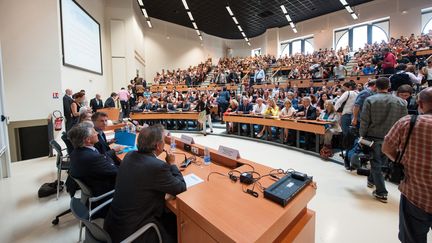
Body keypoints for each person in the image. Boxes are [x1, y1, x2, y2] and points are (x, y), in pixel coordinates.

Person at [104, 124, 186, 243]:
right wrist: (172, 164)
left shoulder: (129, 155)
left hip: (114, 225)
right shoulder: (157, 167)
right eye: (163, 141)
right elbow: (181, 187)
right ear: (158, 146)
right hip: (135, 232)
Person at [382, 87, 432, 243]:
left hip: (415, 195)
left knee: (412, 238)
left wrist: (401, 161)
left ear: (420, 104)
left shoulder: (408, 122)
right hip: (416, 194)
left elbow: (387, 148)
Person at [359, 77, 407, 203]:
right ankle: (371, 181)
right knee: (380, 163)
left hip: (373, 137)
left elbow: (364, 120)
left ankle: (381, 192)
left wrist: (362, 136)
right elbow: (404, 123)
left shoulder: (370, 100)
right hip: (392, 138)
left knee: (376, 164)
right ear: (389, 85)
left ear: (376, 86)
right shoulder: (401, 102)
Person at [68, 122, 118, 216]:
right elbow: (116, 171)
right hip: (106, 192)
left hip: (94, 184)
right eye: (94, 132)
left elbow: (105, 160)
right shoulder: (91, 158)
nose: (97, 133)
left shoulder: (76, 152)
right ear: (88, 140)